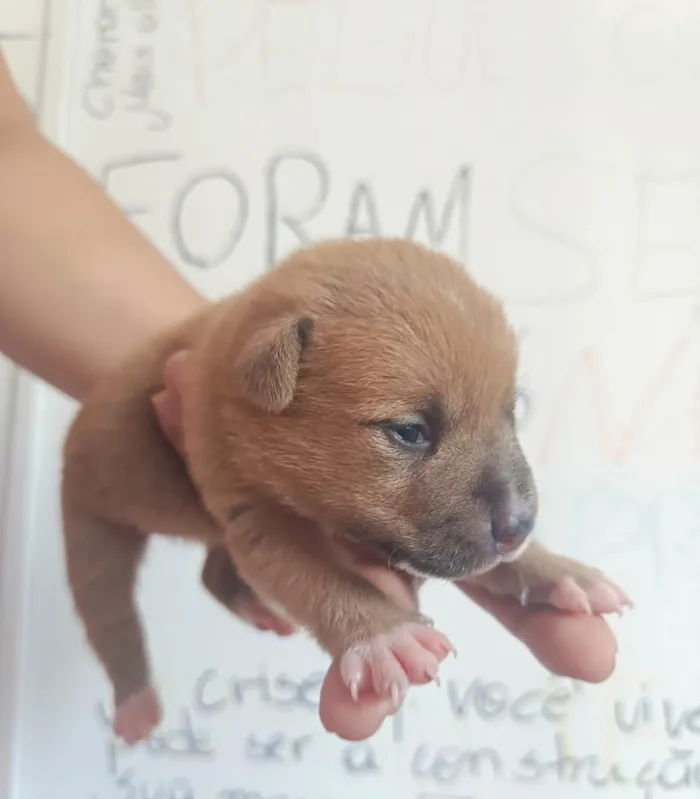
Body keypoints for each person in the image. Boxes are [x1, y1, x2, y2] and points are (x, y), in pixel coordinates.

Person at [0, 52, 618, 741]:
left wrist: (535, 569)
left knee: (290, 531)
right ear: (276, 372)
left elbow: (7, 148)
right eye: (411, 431)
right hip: (102, 488)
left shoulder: (260, 368)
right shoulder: (261, 369)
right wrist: (363, 623)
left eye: (507, 408)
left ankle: (227, 578)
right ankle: (130, 680)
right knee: (109, 594)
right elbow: (257, 522)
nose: (517, 507)